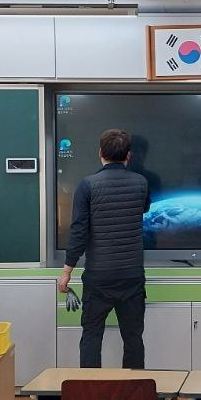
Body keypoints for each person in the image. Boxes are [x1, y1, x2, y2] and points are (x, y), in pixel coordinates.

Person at [58, 129, 150, 369]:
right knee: (133, 337)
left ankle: (91, 391)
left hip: (98, 277)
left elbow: (78, 231)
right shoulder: (141, 183)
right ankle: (134, 390)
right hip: (131, 276)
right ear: (128, 155)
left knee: (91, 335)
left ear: (100, 153)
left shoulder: (87, 185)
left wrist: (67, 271)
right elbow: (144, 209)